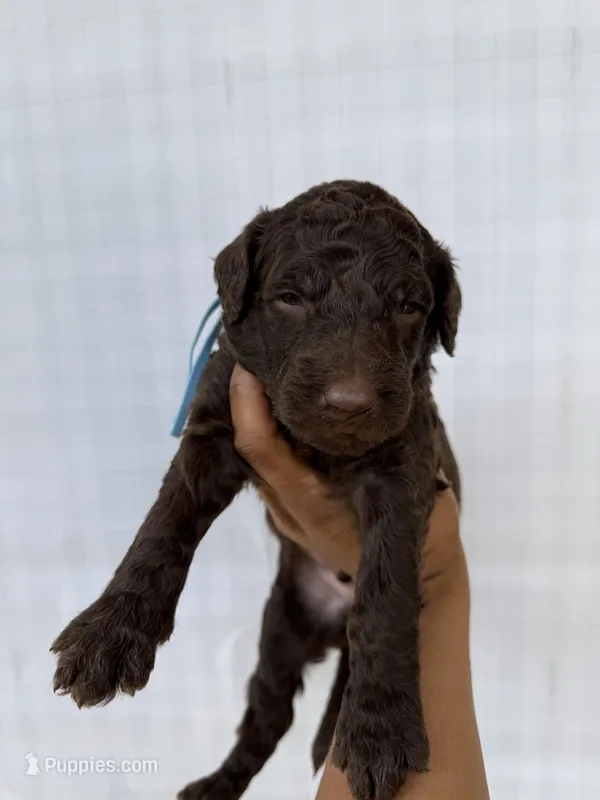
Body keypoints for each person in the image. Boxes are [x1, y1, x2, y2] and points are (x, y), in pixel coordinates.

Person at [229, 364, 490, 800]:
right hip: (336, 568)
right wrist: (435, 577)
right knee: (274, 687)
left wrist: (428, 573)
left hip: (389, 556)